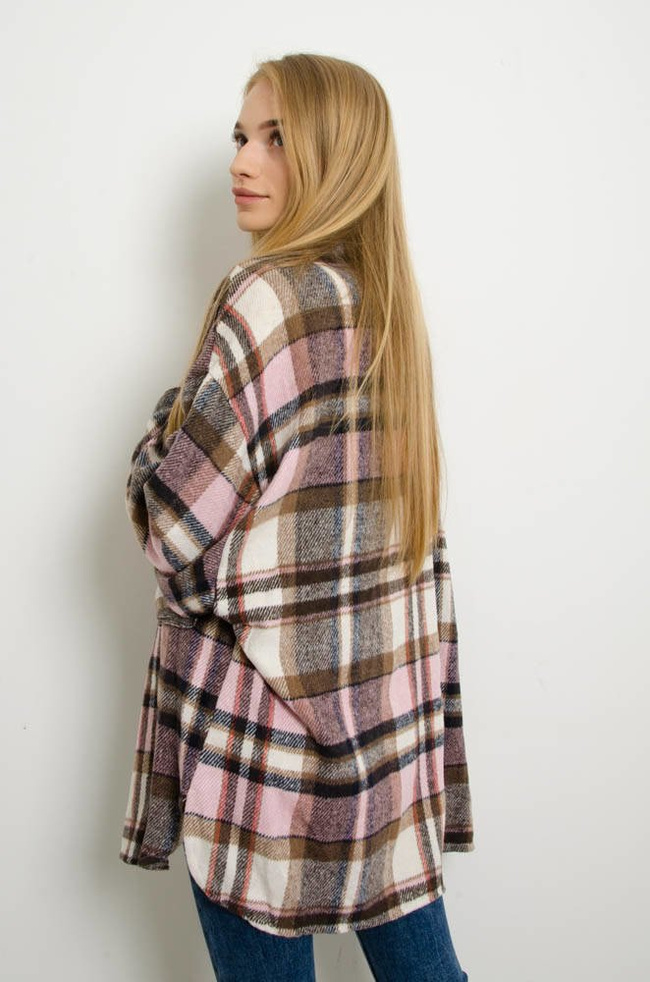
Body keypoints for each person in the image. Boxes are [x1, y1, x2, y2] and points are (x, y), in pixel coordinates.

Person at [120, 53, 475, 981]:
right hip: (381, 736)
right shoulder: (384, 308)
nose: (243, 160)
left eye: (277, 138)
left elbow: (168, 527)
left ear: (337, 153)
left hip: (264, 750)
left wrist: (164, 423)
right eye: (242, 135)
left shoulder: (267, 298)